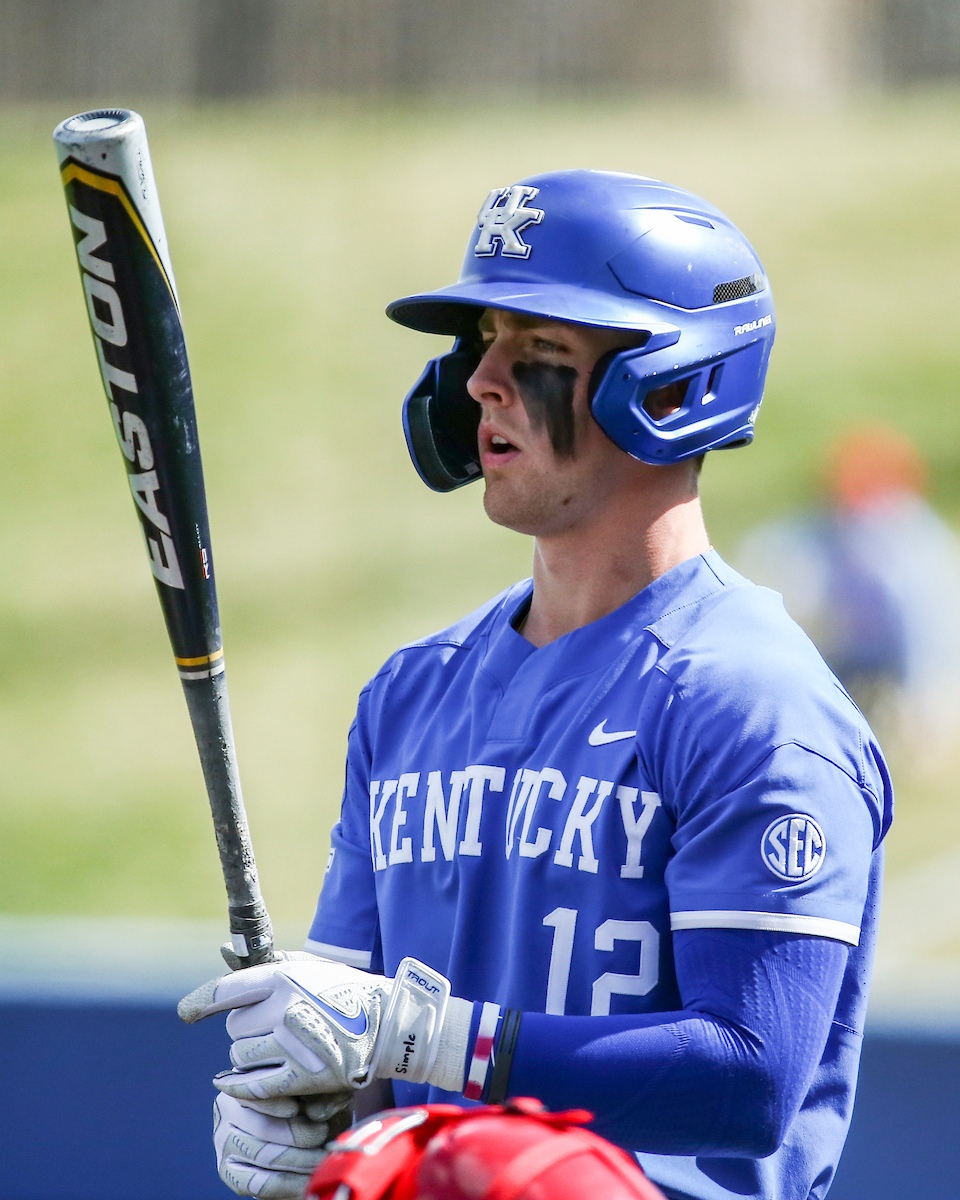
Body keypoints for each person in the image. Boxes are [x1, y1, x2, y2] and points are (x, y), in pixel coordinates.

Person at [180, 170, 892, 1200]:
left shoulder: (752, 704)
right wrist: (309, 1123)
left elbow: (750, 1077)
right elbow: (359, 1047)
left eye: (540, 352)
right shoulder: (411, 694)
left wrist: (426, 1034)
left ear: (673, 384)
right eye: (482, 345)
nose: (480, 382)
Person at [738, 422, 960, 762]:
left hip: (924, 673)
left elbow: (928, 632)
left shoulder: (914, 546)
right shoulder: (818, 531)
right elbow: (767, 562)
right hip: (850, 662)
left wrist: (923, 708)